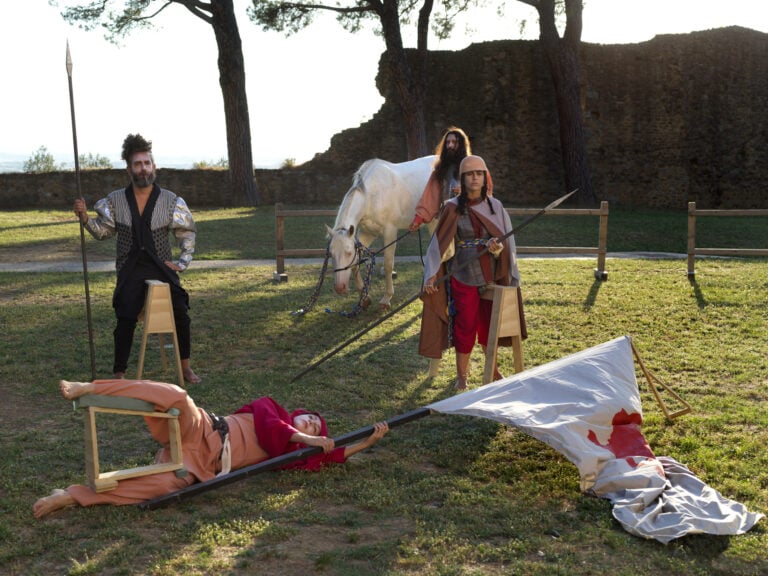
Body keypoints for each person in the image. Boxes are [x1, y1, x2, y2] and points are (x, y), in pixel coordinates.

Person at [33, 379, 390, 518]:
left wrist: (367, 442)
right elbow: (277, 430)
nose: (312, 424)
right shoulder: (271, 409)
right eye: (310, 418)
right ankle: (90, 387)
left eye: (315, 425)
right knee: (177, 395)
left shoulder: (287, 453)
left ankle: (72, 496)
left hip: (204, 463)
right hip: (205, 426)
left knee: (167, 485)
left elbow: (329, 456)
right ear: (297, 414)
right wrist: (312, 439)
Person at [74, 133, 201, 384]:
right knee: (125, 315)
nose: (143, 169)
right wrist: (86, 219)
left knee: (181, 312)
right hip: (130, 268)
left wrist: (183, 262)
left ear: (153, 166)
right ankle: (119, 372)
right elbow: (103, 232)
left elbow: (186, 233)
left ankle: (185, 367)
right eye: (137, 164)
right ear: (128, 169)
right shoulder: (115, 200)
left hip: (161, 267)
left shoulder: (170, 200)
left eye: (147, 163)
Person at [418, 155, 526, 391]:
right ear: (464, 178)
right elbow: (439, 245)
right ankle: (462, 376)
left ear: (485, 177)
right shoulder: (452, 207)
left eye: (479, 173)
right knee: (465, 325)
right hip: (462, 274)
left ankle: (493, 369)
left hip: (492, 275)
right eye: (469, 174)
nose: (474, 178)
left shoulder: (495, 207)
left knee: (490, 325)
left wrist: (497, 250)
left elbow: (508, 245)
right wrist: (432, 274)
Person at [408, 127, 493, 232]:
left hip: (472, 221)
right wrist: (418, 219)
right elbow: (430, 196)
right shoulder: (440, 170)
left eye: (454, 142)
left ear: (462, 145)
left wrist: (467, 192)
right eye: (447, 142)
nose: (450, 145)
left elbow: (487, 192)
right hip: (447, 220)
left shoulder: (475, 166)